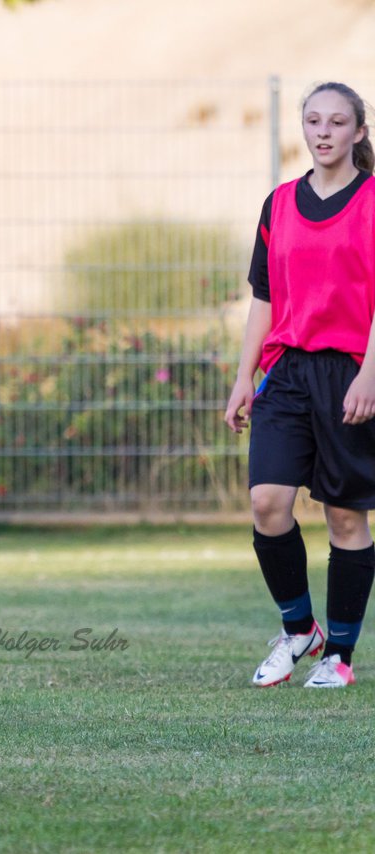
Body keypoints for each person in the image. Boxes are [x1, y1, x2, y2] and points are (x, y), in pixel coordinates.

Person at [224, 81, 375, 689]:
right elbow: (264, 297)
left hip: (352, 372)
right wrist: (244, 375)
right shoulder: (279, 203)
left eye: (338, 122)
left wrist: (370, 372)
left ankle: (338, 656)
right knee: (267, 502)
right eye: (314, 120)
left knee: (344, 516)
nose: (324, 131)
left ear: (358, 133)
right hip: (286, 373)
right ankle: (298, 629)